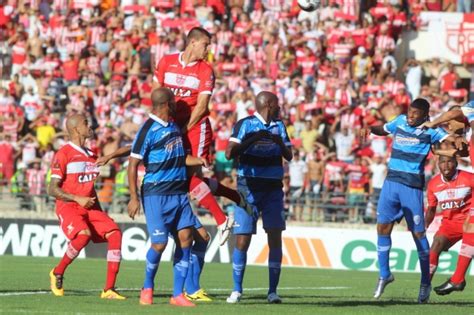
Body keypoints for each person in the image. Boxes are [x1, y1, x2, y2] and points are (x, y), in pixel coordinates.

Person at [153, 26, 251, 245]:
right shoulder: (166, 61)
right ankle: (233, 200)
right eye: (205, 44)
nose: (208, 49)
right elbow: (156, 93)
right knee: (186, 179)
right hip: (171, 127)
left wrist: (182, 129)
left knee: (188, 176)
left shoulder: (205, 70)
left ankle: (222, 218)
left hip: (195, 127)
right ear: (192, 42)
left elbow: (201, 106)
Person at [360, 98, 449, 303]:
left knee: (418, 234)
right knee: (382, 228)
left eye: (415, 113)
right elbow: (383, 128)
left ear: (425, 115)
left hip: (411, 188)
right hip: (390, 184)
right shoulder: (399, 121)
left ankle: (425, 282)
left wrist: (453, 143)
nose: (410, 116)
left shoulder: (432, 129)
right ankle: (384, 275)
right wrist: (369, 128)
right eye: (409, 112)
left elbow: (448, 144)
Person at [127, 88, 208, 307]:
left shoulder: (173, 127)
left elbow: (180, 158)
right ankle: (147, 287)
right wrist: (134, 197)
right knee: (160, 244)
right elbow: (133, 163)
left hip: (179, 194)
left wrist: (199, 160)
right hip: (156, 194)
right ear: (166, 104)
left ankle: (177, 295)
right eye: (173, 102)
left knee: (186, 239)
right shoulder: (147, 129)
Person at [225, 91, 293, 304]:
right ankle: (237, 290)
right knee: (243, 239)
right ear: (269, 105)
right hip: (248, 188)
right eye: (278, 105)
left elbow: (289, 156)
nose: (280, 108)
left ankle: (273, 292)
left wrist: (277, 142)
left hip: (273, 189)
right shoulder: (245, 124)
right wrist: (253, 139)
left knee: (275, 238)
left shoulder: (280, 126)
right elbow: (229, 153)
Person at [48, 114, 125, 299]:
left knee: (115, 234)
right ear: (75, 129)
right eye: (85, 123)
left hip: (90, 206)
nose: (89, 126)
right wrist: (77, 198)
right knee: (83, 235)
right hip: (69, 206)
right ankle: (57, 272)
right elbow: (52, 189)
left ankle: (109, 290)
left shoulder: (92, 155)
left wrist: (111, 155)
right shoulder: (63, 154)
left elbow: (133, 149)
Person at [420, 100, 474, 295]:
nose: (449, 126)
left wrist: (433, 123)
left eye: (450, 122)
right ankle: (454, 280)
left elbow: (456, 113)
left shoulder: (470, 111)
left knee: (471, 227)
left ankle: (458, 279)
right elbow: (452, 153)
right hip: (452, 223)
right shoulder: (468, 133)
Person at [425, 154, 471, 281]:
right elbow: (431, 209)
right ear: (438, 164)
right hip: (450, 224)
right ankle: (425, 285)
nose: (446, 165)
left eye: (450, 162)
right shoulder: (433, 184)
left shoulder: (469, 178)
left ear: (456, 164)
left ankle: (457, 280)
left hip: (470, 221)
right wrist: (424, 225)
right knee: (436, 244)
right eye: (443, 162)